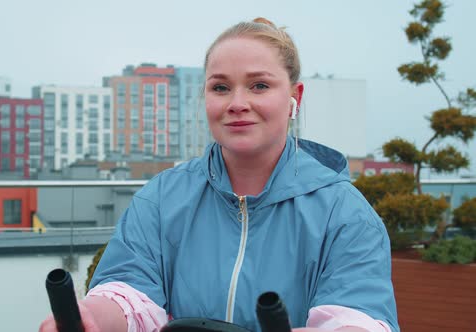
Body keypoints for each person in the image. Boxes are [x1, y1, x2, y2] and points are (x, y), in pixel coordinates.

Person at [40, 17, 399, 332]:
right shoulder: (162, 198)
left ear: (295, 97)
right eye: (220, 87)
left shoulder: (346, 214)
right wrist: (93, 318)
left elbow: (357, 314)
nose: (237, 103)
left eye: (259, 85)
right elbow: (129, 291)